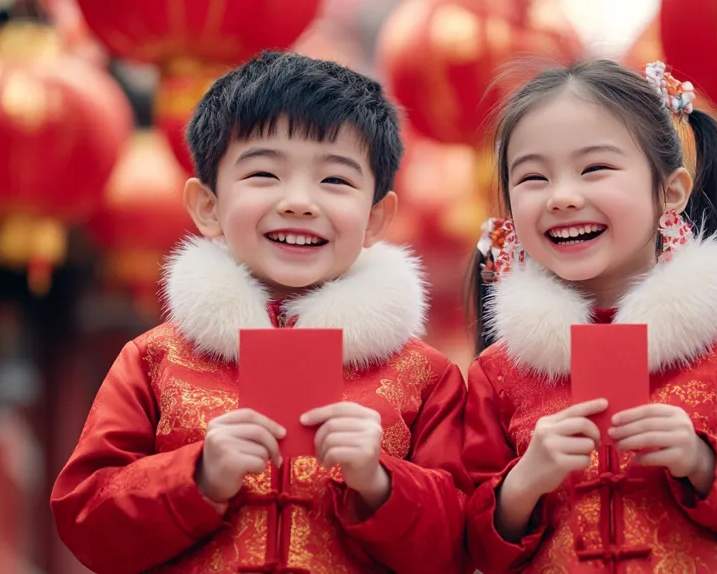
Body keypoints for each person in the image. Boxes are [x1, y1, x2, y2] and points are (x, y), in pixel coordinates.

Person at [51, 51, 470, 574]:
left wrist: (379, 481)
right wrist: (198, 476)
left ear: (376, 217)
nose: (298, 202)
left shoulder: (427, 377)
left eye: (335, 181)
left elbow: (460, 544)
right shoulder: (153, 359)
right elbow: (85, 520)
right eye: (264, 173)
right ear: (208, 206)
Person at [462, 59, 717, 573]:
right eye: (533, 177)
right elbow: (462, 545)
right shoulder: (499, 371)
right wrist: (523, 484)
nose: (562, 197)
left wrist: (701, 460)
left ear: (670, 191)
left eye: (595, 169)